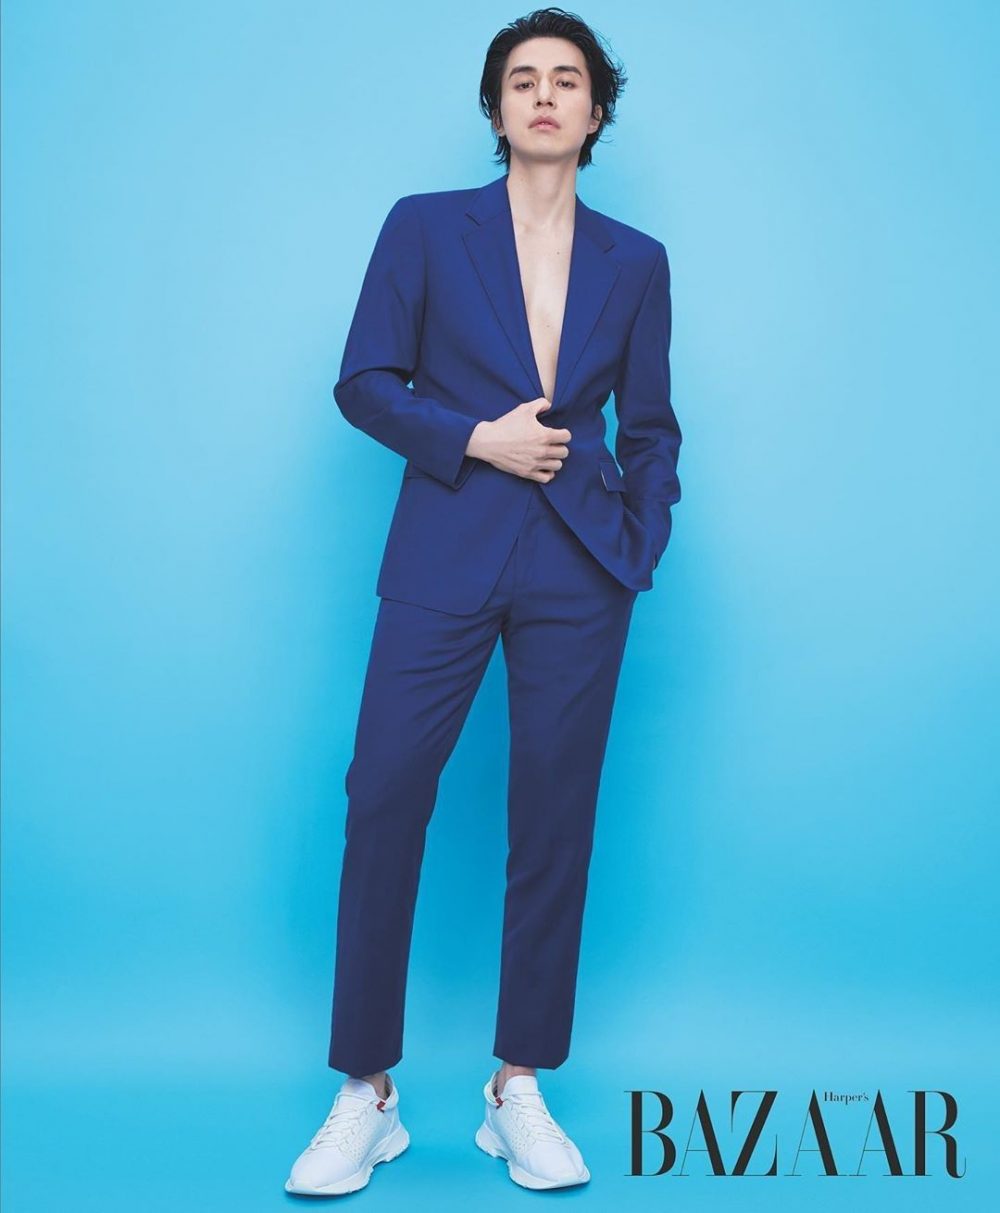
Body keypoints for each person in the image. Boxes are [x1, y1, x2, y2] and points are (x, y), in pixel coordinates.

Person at [285, 6, 682, 1196]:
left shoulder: (636, 260)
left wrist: (637, 543)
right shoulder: (424, 227)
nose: (544, 95)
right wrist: (474, 438)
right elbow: (364, 381)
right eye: (522, 79)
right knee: (383, 792)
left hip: (580, 564)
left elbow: (651, 426)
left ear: (596, 111)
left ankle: (517, 1087)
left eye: (566, 79)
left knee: (553, 817)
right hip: (445, 547)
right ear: (497, 107)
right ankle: (366, 1092)